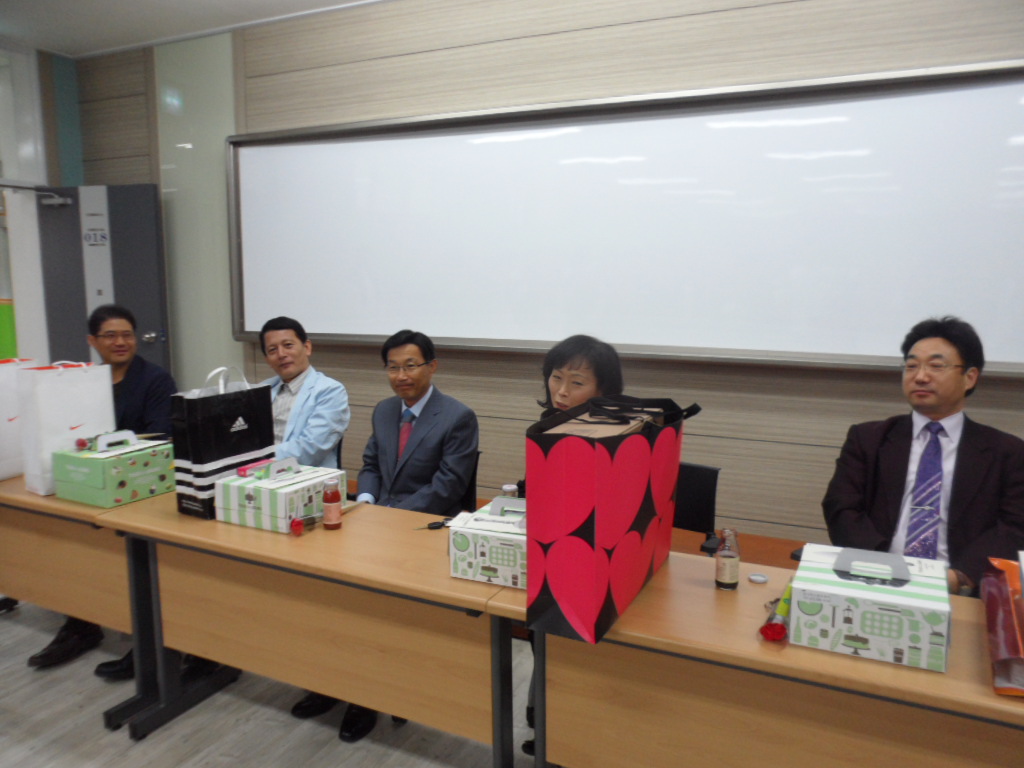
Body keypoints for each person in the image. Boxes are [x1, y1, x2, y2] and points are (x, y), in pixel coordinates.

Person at [293, 330, 479, 743]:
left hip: (423, 533)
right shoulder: (384, 410)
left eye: (410, 365)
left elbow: (447, 487)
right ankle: (329, 683)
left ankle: (366, 697)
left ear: (432, 366)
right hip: (376, 523)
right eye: (393, 367)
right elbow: (371, 464)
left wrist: (387, 516)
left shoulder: (458, 417)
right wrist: (366, 500)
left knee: (372, 611)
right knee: (328, 592)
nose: (401, 375)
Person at [822, 316, 1024, 597]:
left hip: (959, 590)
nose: (920, 376)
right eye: (912, 366)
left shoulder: (1007, 452)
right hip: (876, 579)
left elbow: (1015, 526)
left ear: (970, 377)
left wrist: (961, 576)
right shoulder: (867, 438)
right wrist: (884, 567)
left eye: (936, 366)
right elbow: (841, 506)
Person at [28, 304, 177, 675]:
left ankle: (146, 641)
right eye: (110, 335)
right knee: (75, 546)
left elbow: (161, 435)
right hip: (91, 485)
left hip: (140, 486)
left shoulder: (156, 380)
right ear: (93, 341)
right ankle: (81, 625)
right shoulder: (82, 382)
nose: (120, 342)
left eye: (127, 334)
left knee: (129, 557)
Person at [522, 333, 623, 757]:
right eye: (556, 377)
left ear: (603, 389)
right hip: (549, 562)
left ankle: (570, 740)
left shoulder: (616, 435)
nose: (561, 391)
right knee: (546, 647)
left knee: (577, 663)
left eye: (576, 382)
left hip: (589, 570)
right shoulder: (547, 426)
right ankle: (544, 726)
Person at [259, 316, 350, 468]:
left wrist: (257, 459)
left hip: (303, 475)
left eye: (288, 345)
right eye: (272, 350)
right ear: (267, 359)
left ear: (307, 347)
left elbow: (310, 449)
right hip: (257, 474)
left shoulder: (330, 391)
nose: (281, 354)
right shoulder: (261, 390)